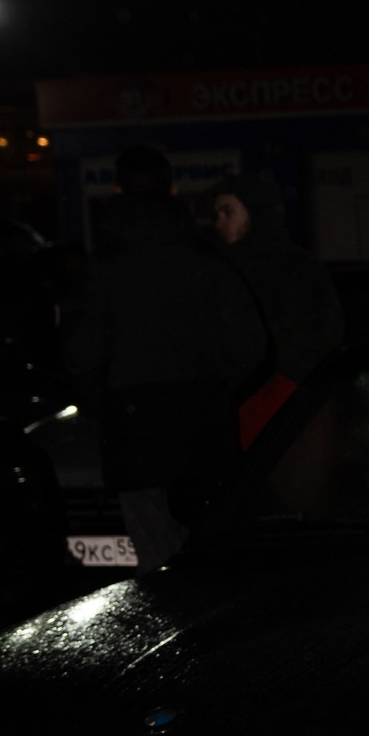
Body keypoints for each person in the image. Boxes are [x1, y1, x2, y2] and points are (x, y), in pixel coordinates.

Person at [61, 145, 268, 569]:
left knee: (158, 566)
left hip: (135, 434)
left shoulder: (102, 268)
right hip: (202, 436)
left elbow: (82, 354)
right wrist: (213, 394)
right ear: (172, 191)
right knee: (211, 559)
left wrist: (110, 404)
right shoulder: (207, 262)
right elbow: (251, 346)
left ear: (117, 192)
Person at [211, 173, 344, 436]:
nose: (219, 224)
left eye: (228, 213)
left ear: (255, 213)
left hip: (291, 397)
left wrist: (287, 380)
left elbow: (325, 332)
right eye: (218, 214)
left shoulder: (298, 267)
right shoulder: (221, 268)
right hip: (242, 402)